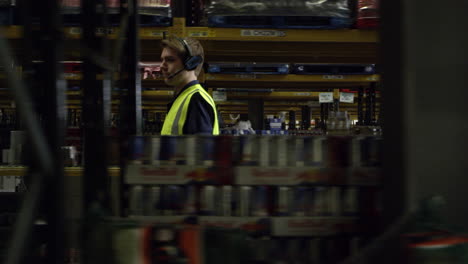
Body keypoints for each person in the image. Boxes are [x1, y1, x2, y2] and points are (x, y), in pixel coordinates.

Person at [159, 36, 219, 135]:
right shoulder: (184, 98)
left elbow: (200, 148)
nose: (162, 65)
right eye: (162, 60)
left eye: (170, 60)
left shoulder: (196, 100)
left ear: (191, 63)